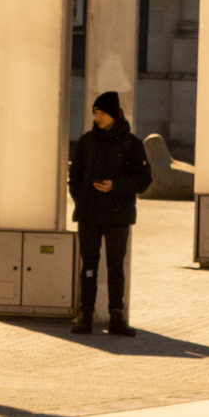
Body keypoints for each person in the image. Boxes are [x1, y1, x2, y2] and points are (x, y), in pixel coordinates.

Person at [67, 90, 152, 335]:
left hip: (118, 215)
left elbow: (143, 180)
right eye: (95, 113)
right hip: (89, 214)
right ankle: (86, 316)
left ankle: (117, 317)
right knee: (89, 267)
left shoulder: (131, 143)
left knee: (116, 267)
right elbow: (75, 176)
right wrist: (80, 197)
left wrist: (115, 186)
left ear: (115, 114)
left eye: (102, 113)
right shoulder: (87, 141)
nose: (97, 117)